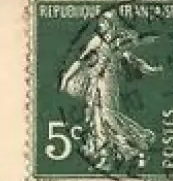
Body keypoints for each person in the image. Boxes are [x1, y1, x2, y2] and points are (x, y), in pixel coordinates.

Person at [58, 11, 162, 171]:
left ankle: (138, 140)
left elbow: (132, 59)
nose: (102, 25)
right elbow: (81, 61)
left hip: (109, 82)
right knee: (97, 118)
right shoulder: (97, 41)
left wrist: (149, 69)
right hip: (95, 82)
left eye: (105, 22)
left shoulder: (119, 42)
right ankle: (105, 156)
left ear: (112, 24)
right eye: (101, 22)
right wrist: (66, 78)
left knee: (108, 116)